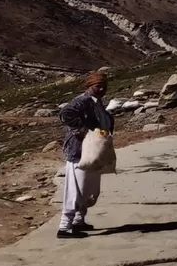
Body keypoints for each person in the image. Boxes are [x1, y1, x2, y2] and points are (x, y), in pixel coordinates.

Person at [58, 70, 113, 238]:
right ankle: (65, 227)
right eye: (98, 86)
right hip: (79, 152)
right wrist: (81, 130)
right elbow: (66, 113)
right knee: (77, 189)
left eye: (104, 86)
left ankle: (78, 221)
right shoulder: (82, 101)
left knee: (89, 190)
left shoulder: (97, 102)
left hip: (93, 152)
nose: (102, 89)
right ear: (89, 87)